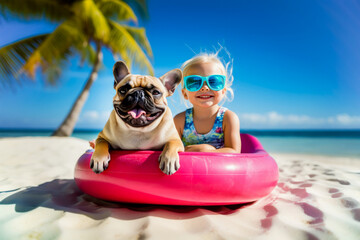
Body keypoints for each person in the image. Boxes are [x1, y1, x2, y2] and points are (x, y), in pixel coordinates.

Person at [173, 52, 241, 153]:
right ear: (185, 93)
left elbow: (234, 151)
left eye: (214, 81)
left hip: (218, 168)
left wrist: (207, 151)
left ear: (223, 91)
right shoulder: (179, 120)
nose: (205, 87)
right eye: (194, 82)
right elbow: (171, 149)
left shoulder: (228, 118)